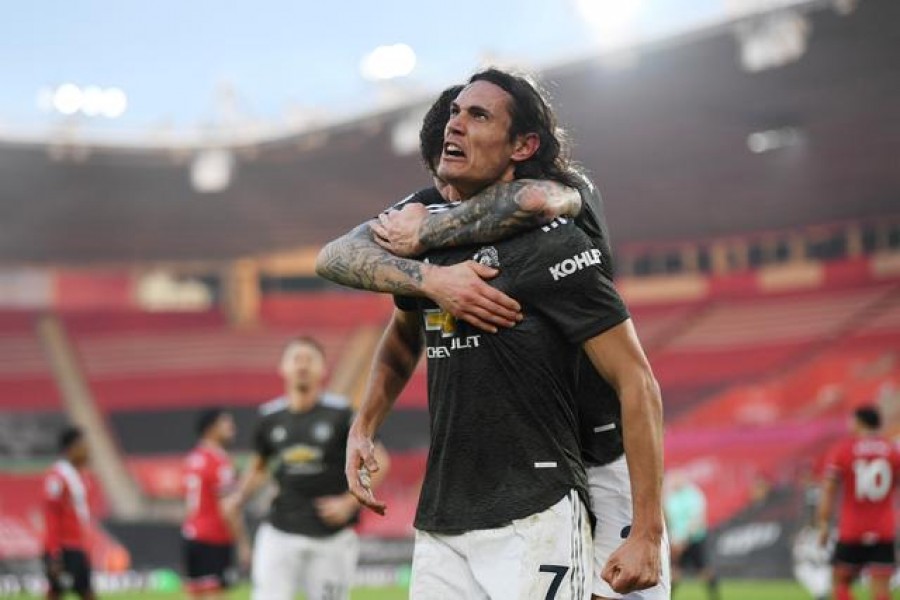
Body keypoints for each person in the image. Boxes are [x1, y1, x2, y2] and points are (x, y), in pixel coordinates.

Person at [318, 75, 667, 599]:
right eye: (452, 124)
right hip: (485, 487)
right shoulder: (429, 215)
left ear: (520, 149)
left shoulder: (565, 204)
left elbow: (636, 380)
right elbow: (392, 319)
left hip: (599, 457)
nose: (448, 200)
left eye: (477, 117)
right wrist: (365, 422)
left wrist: (647, 530)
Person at [226, 336, 390, 600]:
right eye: (296, 359)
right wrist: (239, 496)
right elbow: (259, 467)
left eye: (309, 359)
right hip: (280, 531)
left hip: (331, 536)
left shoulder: (342, 415)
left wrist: (349, 503)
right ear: (283, 368)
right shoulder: (269, 418)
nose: (302, 365)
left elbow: (381, 462)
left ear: (323, 369)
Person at [817, 405, 900, 600]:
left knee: (840, 582)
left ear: (860, 422)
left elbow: (829, 489)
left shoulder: (844, 450)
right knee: (881, 590)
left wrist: (823, 524)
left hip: (852, 529)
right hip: (884, 529)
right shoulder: (892, 451)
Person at [182, 408, 249, 597]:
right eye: (226, 424)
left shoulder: (192, 459)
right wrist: (243, 543)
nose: (232, 428)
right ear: (211, 429)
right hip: (213, 540)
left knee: (195, 595)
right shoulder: (219, 462)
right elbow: (228, 508)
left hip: (191, 536)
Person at [42, 426, 95, 600]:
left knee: (85, 592)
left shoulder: (78, 475)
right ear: (71, 448)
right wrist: (54, 554)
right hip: (64, 550)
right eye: (82, 444)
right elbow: (51, 516)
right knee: (57, 593)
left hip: (77, 547)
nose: (86, 449)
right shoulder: (57, 476)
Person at [664, 473, 719, 600]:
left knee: (704, 571)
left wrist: (684, 539)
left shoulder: (694, 495)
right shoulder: (671, 496)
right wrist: (674, 540)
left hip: (695, 540)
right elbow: (670, 520)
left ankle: (715, 597)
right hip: (677, 542)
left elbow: (697, 520)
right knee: (675, 572)